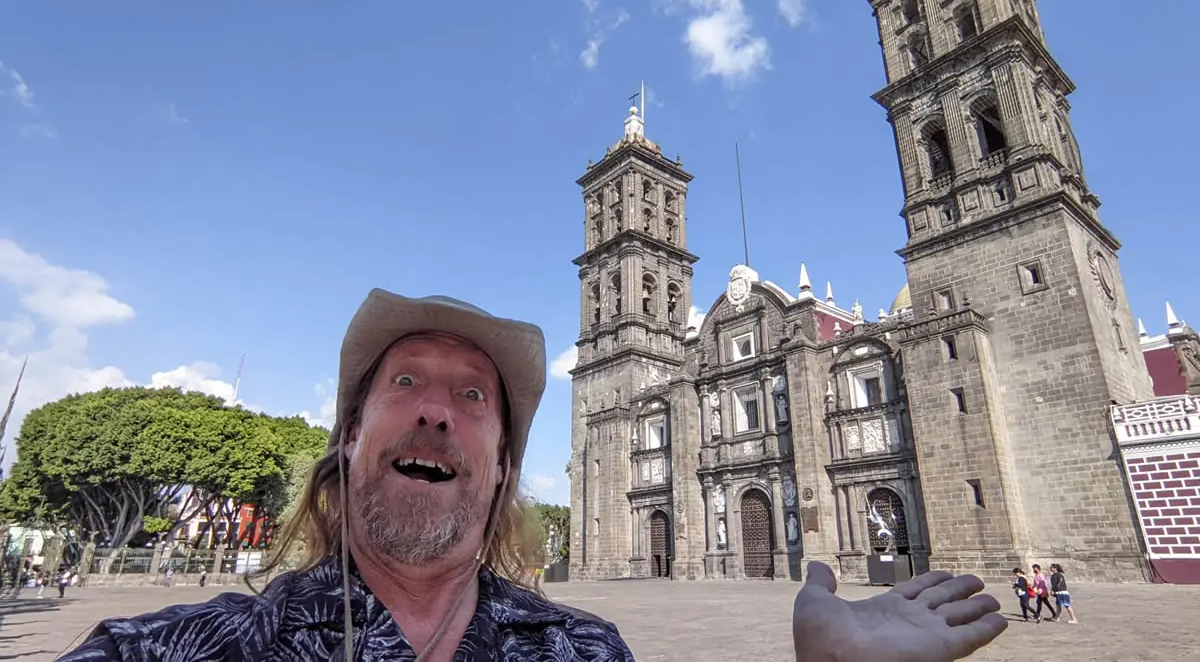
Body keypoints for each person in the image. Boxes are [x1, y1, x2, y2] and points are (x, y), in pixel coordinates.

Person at [60, 290, 1006, 661]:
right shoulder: (181, 647)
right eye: (406, 382)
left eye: (473, 396)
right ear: (346, 439)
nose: (436, 408)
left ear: (505, 467)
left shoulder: (586, 652)